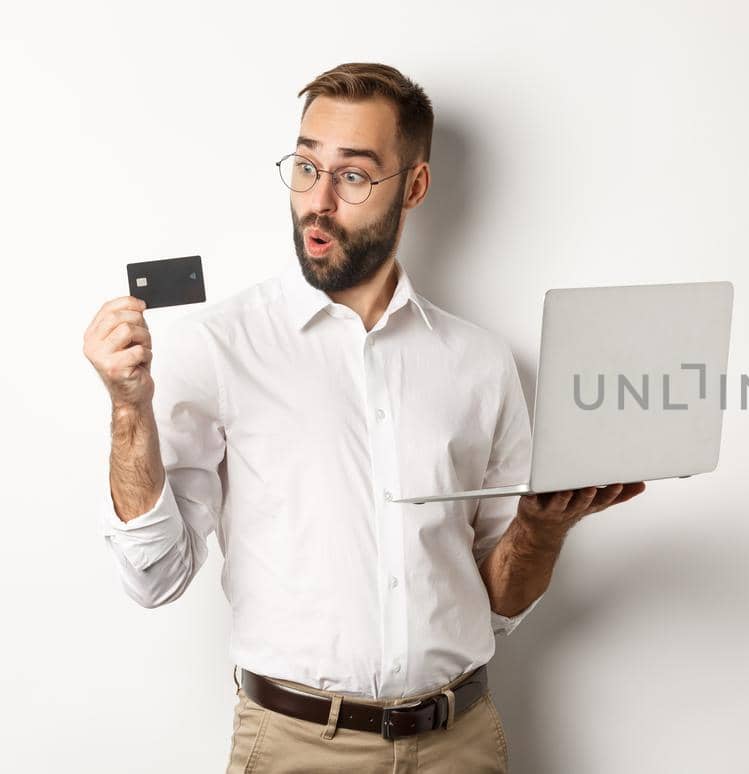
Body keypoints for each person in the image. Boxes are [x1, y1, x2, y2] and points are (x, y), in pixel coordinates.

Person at [80, 62, 645, 773]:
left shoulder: (480, 363)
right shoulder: (219, 345)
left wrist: (541, 529)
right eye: (306, 166)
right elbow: (154, 576)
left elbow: (500, 603)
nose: (318, 201)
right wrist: (128, 410)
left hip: (462, 744)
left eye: (352, 176)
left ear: (413, 187)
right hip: (296, 749)